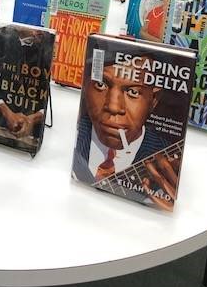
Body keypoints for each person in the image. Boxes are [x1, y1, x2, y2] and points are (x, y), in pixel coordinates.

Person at [73, 53, 179, 211]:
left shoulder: (169, 158)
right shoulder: (70, 138)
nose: (114, 106)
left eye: (133, 92)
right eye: (101, 84)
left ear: (154, 99)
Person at [0, 25, 53, 147]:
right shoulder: (5, 36)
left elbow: (43, 93)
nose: (39, 29)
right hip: (1, 110)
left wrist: (32, 119)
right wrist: (6, 112)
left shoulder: (47, 40)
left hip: (31, 116)